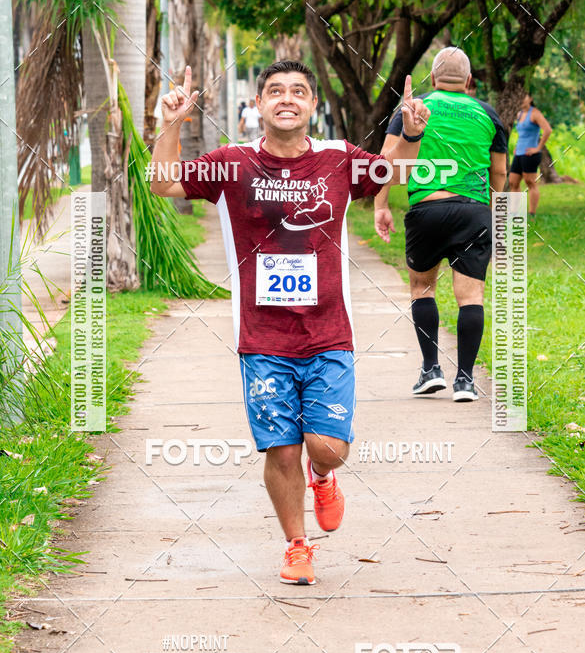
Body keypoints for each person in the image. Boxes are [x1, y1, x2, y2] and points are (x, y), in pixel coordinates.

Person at [150, 60, 430, 585]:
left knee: (326, 446)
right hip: (261, 339)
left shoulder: (337, 158)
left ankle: (322, 475)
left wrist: (410, 133)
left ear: (311, 105)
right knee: (280, 448)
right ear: (258, 105)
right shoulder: (231, 164)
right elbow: (163, 185)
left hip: (328, 333)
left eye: (298, 91)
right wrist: (170, 124)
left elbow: (392, 169)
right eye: (275, 91)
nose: (286, 98)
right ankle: (297, 545)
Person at [375, 47, 507, 402]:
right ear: (467, 82)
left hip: (427, 212)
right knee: (471, 297)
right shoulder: (488, 114)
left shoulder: (413, 109)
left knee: (423, 289)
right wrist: (493, 213)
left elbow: (385, 164)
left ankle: (431, 369)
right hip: (473, 212)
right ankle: (465, 380)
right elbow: (499, 173)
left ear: (432, 79)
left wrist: (381, 204)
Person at [508, 93, 552, 218]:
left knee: (530, 182)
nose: (521, 100)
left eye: (524, 97)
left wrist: (538, 148)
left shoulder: (535, 113)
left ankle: (532, 213)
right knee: (512, 182)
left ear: (530, 99)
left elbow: (548, 130)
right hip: (519, 153)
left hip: (531, 154)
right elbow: (522, 134)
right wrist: (517, 147)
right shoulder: (519, 114)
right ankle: (514, 212)